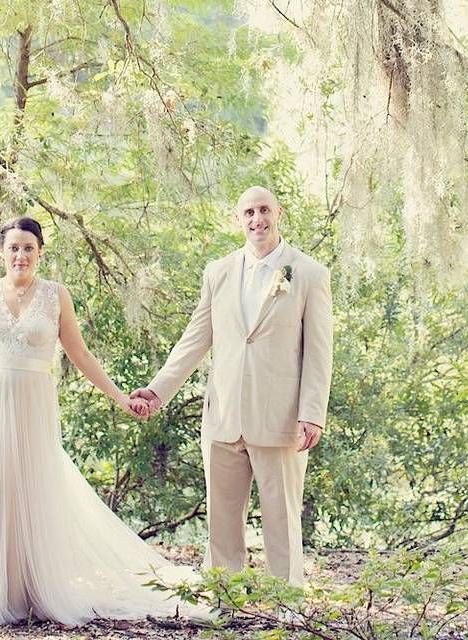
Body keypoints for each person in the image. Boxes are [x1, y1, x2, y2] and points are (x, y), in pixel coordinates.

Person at [0, 216, 200, 626]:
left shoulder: (56, 295)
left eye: (28, 248)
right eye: (13, 247)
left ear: (40, 252)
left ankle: (32, 588)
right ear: (1, 252)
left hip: (32, 405)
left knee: (30, 488)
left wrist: (120, 397)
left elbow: (80, 354)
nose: (20, 255)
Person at [132, 186, 333, 586]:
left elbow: (320, 351)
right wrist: (157, 391)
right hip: (222, 416)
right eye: (248, 212)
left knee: (281, 515)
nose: (257, 219)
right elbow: (196, 338)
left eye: (263, 210)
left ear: (279, 213)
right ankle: (224, 596)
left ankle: (287, 602)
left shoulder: (308, 273)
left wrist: (312, 413)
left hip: (281, 418)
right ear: (238, 219)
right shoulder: (218, 272)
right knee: (222, 518)